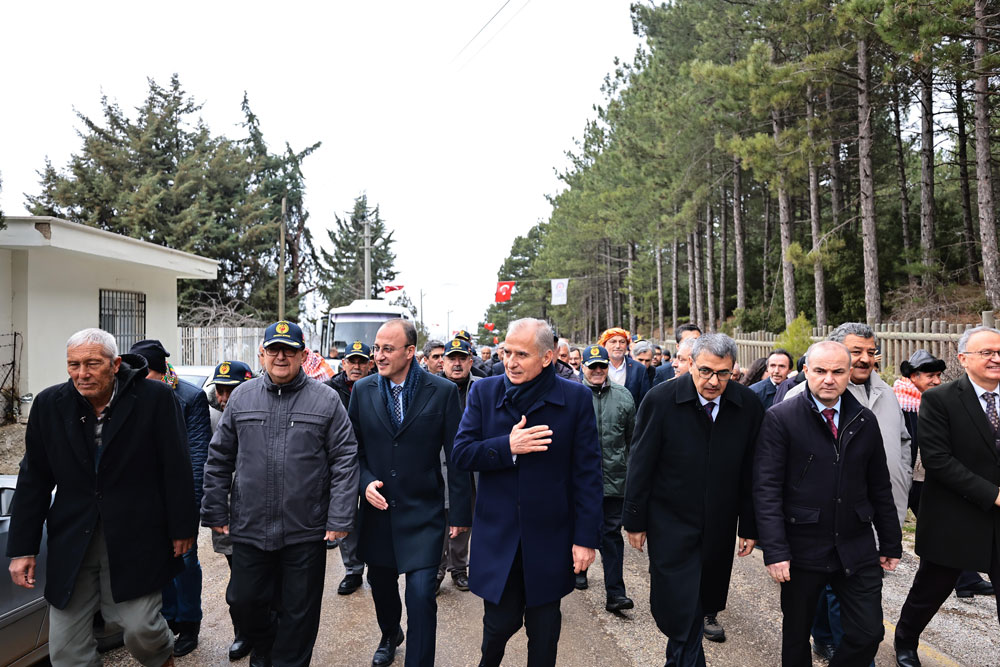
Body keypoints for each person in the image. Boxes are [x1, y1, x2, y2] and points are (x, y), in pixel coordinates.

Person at [6, 328, 197, 667]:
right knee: (66, 650)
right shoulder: (50, 405)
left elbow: (176, 466)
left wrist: (182, 526)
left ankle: (162, 653)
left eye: (92, 363)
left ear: (115, 364)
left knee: (142, 629)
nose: (82, 373)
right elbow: (33, 479)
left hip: (137, 535)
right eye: (74, 365)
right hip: (73, 539)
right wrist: (23, 548)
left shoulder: (154, 399)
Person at [202, 320, 359, 667]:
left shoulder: (326, 400)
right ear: (263, 353)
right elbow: (219, 456)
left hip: (305, 529)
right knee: (243, 601)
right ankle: (265, 644)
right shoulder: (242, 396)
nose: (281, 356)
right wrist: (214, 509)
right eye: (274, 349)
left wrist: (339, 516)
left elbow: (345, 459)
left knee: (299, 613)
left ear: (303, 355)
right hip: (250, 525)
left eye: (290, 350)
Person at [453, 318, 603, 667]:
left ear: (548, 357)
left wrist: (585, 539)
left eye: (522, 354)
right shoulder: (485, 392)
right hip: (499, 537)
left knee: (545, 634)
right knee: (498, 628)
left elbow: (587, 475)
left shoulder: (575, 398)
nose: (511, 361)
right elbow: (461, 454)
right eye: (507, 352)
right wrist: (507, 446)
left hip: (550, 539)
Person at [755, 340, 902, 667]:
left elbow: (879, 485)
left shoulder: (864, 419)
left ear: (850, 373)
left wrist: (891, 541)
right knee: (797, 635)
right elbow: (766, 489)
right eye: (820, 371)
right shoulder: (781, 418)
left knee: (868, 633)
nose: (829, 379)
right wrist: (775, 550)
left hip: (855, 543)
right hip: (803, 546)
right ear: (806, 371)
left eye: (838, 372)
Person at [624, 333, 762, 665]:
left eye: (723, 373)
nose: (713, 381)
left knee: (700, 604)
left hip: (719, 526)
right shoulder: (661, 399)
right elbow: (641, 464)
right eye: (705, 371)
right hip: (669, 524)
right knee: (679, 607)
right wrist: (634, 520)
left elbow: (752, 471)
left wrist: (750, 525)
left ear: (734, 370)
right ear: (690, 364)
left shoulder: (748, 406)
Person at [349, 319, 472, 667]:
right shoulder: (363, 390)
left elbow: (457, 455)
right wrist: (364, 482)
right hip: (379, 511)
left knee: (420, 596)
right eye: (376, 348)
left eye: (388, 349)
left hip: (424, 512)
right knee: (381, 584)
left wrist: (460, 514)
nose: (378, 355)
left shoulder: (442, 391)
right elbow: (352, 451)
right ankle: (390, 634)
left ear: (410, 352)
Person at [893, 327, 1000, 667]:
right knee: (930, 590)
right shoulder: (940, 400)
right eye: (987, 352)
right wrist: (994, 494)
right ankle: (905, 639)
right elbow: (938, 460)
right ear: (964, 359)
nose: (996, 358)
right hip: (955, 516)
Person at [129, 340, 212, 658]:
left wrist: (191, 504)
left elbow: (198, 454)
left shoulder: (190, 397)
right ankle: (169, 618)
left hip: (179, 495)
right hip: (145, 498)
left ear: (160, 372)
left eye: (146, 375)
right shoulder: (131, 396)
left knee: (185, 559)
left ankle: (190, 623)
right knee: (156, 560)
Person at [206, 360, 257, 661]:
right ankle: (244, 632)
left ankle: (264, 631)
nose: (224, 398)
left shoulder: (259, 409)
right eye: (220, 390)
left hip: (258, 513)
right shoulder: (208, 414)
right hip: (228, 513)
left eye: (231, 390)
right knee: (238, 583)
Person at [578, 345, 635, 611]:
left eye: (602, 365)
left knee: (612, 535)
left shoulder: (623, 396)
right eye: (593, 366)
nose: (598, 370)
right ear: (583, 368)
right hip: (581, 482)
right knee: (579, 528)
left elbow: (632, 439)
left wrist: (628, 470)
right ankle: (578, 570)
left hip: (615, 480)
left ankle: (615, 594)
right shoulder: (573, 396)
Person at [325, 341, 375, 588]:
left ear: (370, 364)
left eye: (361, 361)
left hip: (371, 460)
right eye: (351, 361)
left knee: (374, 516)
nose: (356, 366)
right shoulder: (328, 390)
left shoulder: (379, 386)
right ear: (343, 363)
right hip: (339, 461)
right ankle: (353, 570)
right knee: (344, 513)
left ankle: (376, 566)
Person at [437, 338, 481, 593]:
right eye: (451, 358)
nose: (457, 363)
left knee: (465, 517)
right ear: (442, 362)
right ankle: (437, 569)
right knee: (440, 518)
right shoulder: (433, 388)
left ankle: (459, 568)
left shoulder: (481, 387)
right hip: (439, 463)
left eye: (462, 358)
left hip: (471, 466)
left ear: (470, 362)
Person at [599, 327, 651, 406]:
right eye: (613, 342)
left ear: (627, 345)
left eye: (622, 342)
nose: (618, 346)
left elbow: (644, 400)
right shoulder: (595, 367)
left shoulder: (639, 369)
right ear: (604, 345)